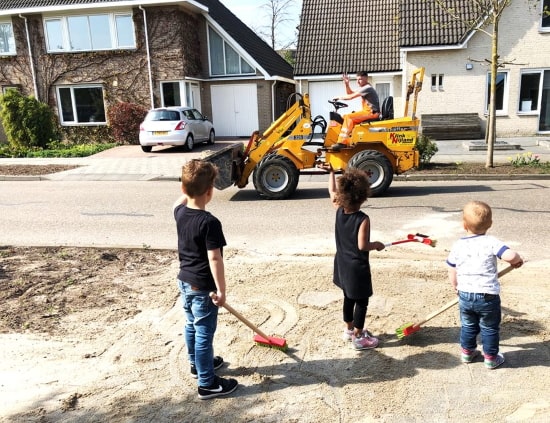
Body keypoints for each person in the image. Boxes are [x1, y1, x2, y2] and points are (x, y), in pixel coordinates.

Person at [173, 159, 238, 399]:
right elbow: (215, 260)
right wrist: (221, 291)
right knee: (203, 333)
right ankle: (207, 383)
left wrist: (188, 181)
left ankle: (196, 364)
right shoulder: (210, 223)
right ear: (210, 192)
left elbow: (178, 200)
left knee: (191, 325)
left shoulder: (179, 212)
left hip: (184, 281)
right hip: (203, 288)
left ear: (183, 188)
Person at [447, 200, 524, 369]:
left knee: (468, 325)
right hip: (487, 296)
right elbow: (510, 256)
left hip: (465, 294)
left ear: (463, 224)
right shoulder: (491, 241)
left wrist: (456, 286)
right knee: (489, 328)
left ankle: (467, 353)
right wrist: (517, 260)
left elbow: (452, 269)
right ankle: (490, 357)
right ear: (490, 224)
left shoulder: (458, 245)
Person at [322, 164, 385, 350]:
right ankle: (358, 337)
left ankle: (348, 330)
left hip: (341, 264)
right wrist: (377, 245)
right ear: (363, 196)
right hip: (357, 268)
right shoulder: (363, 218)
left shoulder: (339, 208)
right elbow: (362, 246)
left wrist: (332, 173)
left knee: (348, 298)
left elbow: (331, 190)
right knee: (362, 302)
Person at [332, 71, 380, 151]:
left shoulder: (367, 88)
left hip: (371, 112)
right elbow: (350, 93)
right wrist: (347, 84)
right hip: (368, 111)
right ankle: (347, 140)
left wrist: (339, 97)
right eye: (357, 79)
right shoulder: (364, 88)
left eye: (360, 79)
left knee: (349, 117)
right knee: (345, 118)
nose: (358, 81)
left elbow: (350, 97)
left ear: (366, 78)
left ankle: (341, 142)